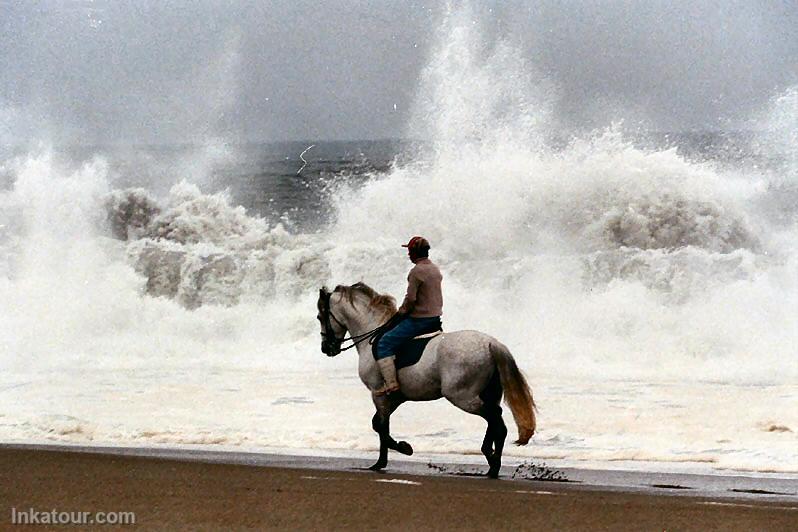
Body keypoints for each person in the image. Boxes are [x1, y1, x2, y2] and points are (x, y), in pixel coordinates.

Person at [374, 236, 443, 395]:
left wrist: (400, 313)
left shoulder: (416, 271)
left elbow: (411, 299)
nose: (408, 255)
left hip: (419, 321)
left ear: (415, 252)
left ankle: (391, 384)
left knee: (384, 342)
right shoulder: (435, 268)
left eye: (409, 251)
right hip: (435, 318)